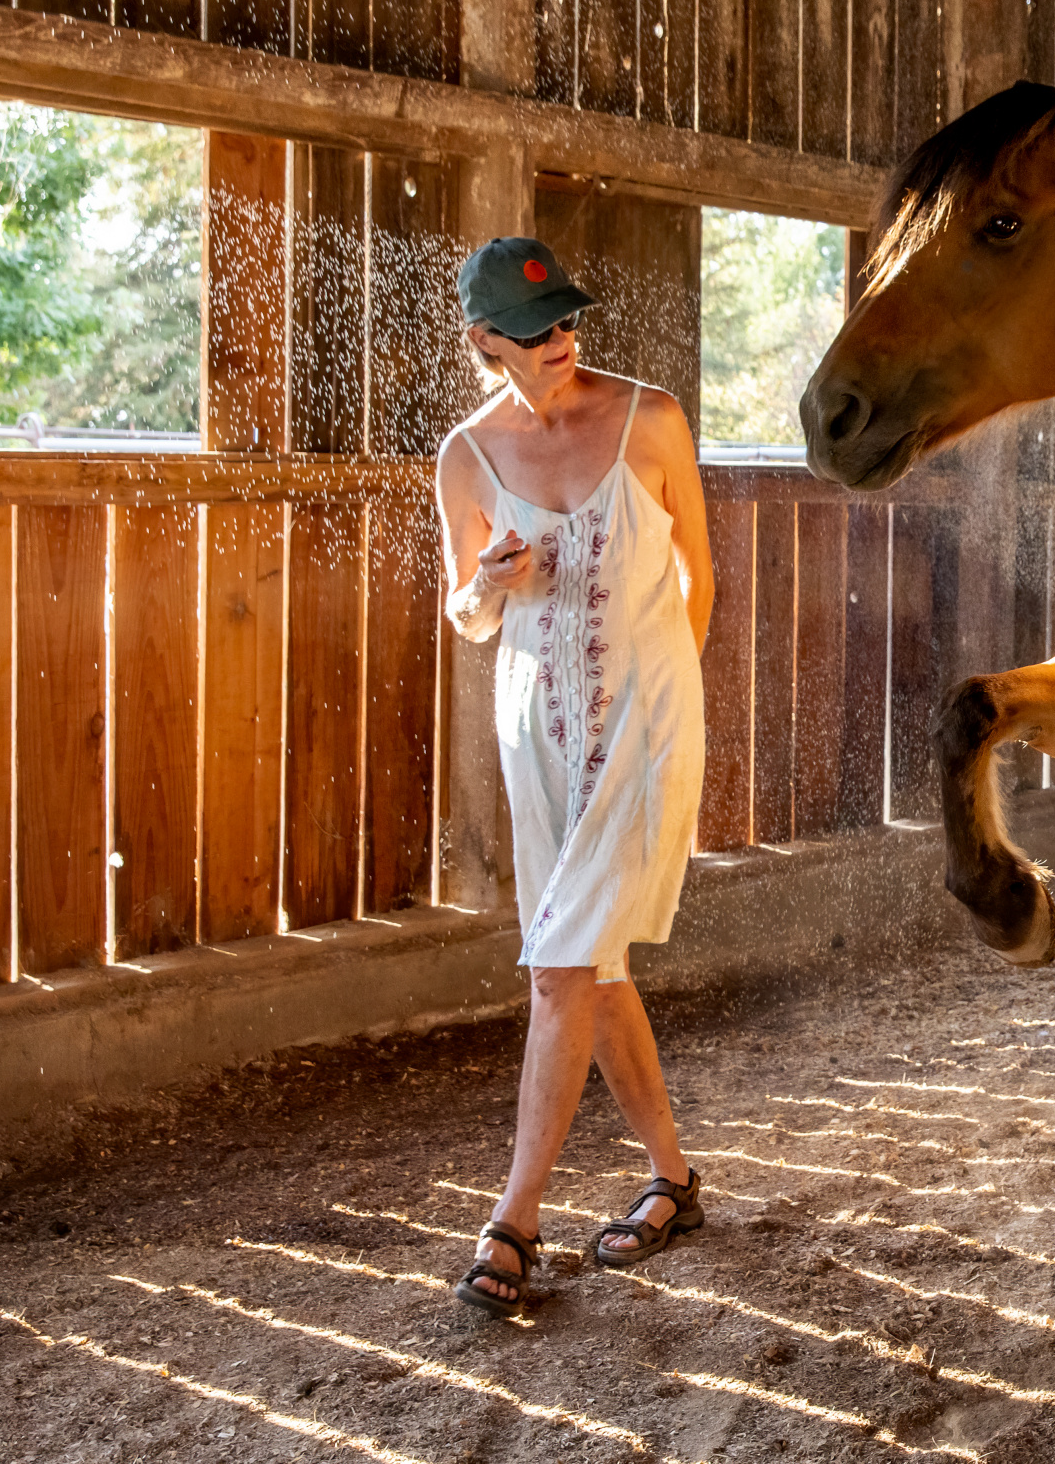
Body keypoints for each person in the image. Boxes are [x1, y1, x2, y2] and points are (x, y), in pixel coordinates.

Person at [434, 235, 714, 1317]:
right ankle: (673, 1183)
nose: (559, 340)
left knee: (557, 970)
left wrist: (659, 699)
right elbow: (465, 614)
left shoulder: (651, 418)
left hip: (643, 729)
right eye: (533, 329)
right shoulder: (467, 455)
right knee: (592, 968)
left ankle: (513, 1220)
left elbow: (697, 572)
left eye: (565, 319)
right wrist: (490, 581)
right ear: (485, 341)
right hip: (536, 741)